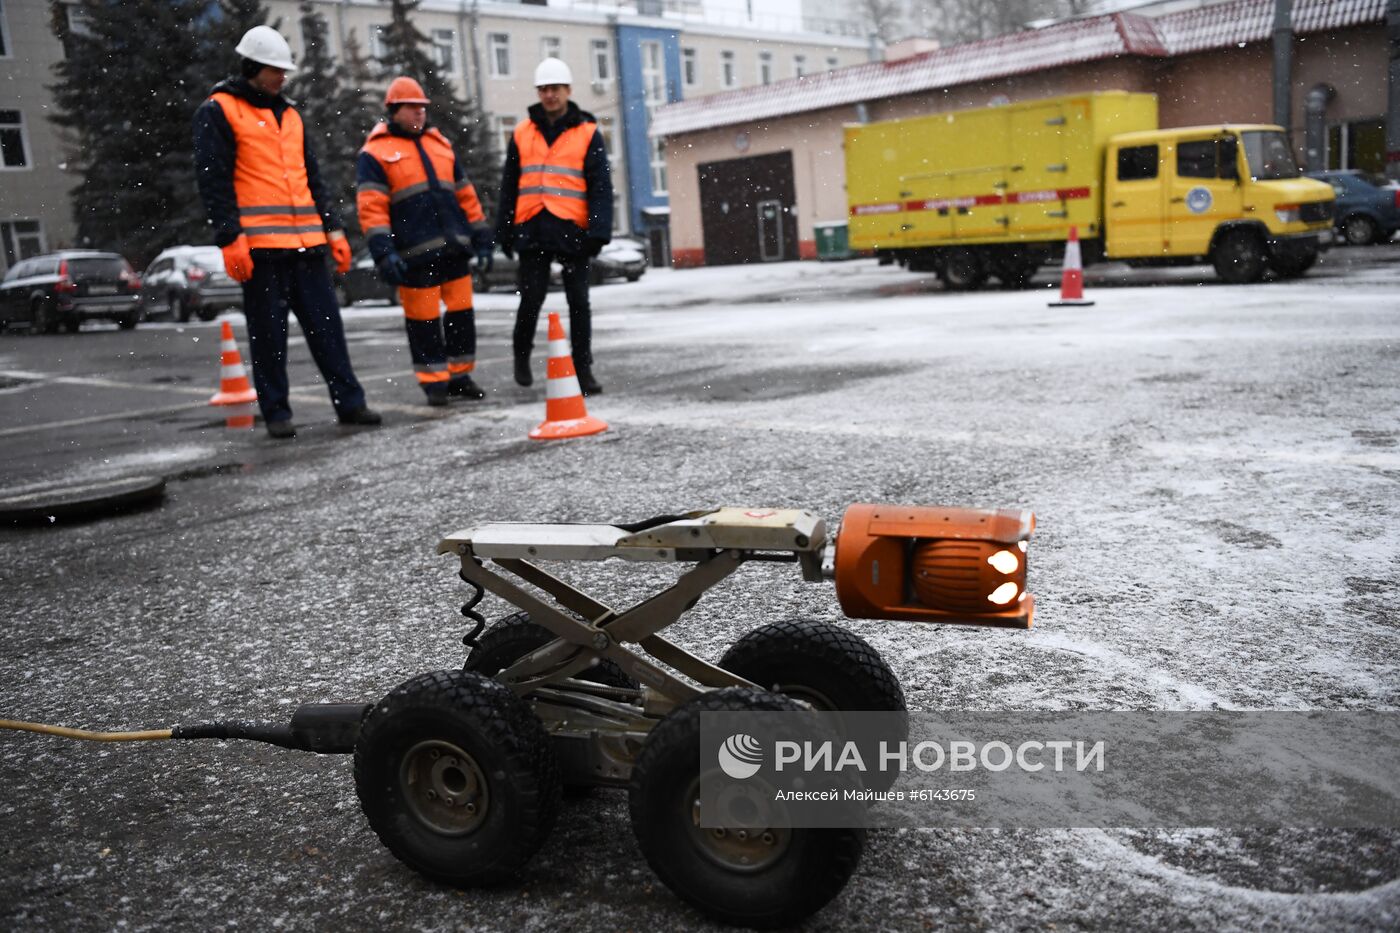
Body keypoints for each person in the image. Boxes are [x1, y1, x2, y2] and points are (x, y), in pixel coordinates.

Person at [193, 25, 381, 440]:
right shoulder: (220, 110)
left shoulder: (291, 114)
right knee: (268, 337)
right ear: (252, 67)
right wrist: (230, 237)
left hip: (308, 245)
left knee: (328, 330)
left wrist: (333, 229)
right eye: (275, 70)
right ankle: (277, 412)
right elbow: (214, 180)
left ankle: (351, 404)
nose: (282, 77)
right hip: (261, 249)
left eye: (284, 69)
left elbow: (313, 177)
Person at [356, 77, 493, 406]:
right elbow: (371, 208)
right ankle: (434, 382)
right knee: (423, 321)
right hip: (414, 254)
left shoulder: (440, 145)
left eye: (422, 108)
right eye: (411, 108)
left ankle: (460, 376)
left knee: (461, 315)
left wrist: (482, 237)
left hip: (453, 248)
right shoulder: (374, 153)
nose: (419, 113)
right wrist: (383, 253)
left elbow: (465, 195)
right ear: (394, 110)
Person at [497, 57, 613, 395]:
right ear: (538, 92)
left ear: (568, 91)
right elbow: (510, 185)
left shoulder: (588, 132)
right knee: (530, 299)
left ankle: (583, 369)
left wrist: (598, 231)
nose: (549, 95)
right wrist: (504, 230)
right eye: (544, 89)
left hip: (571, 228)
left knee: (579, 303)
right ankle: (521, 357)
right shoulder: (521, 132)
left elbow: (600, 187)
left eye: (555, 89)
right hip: (532, 226)